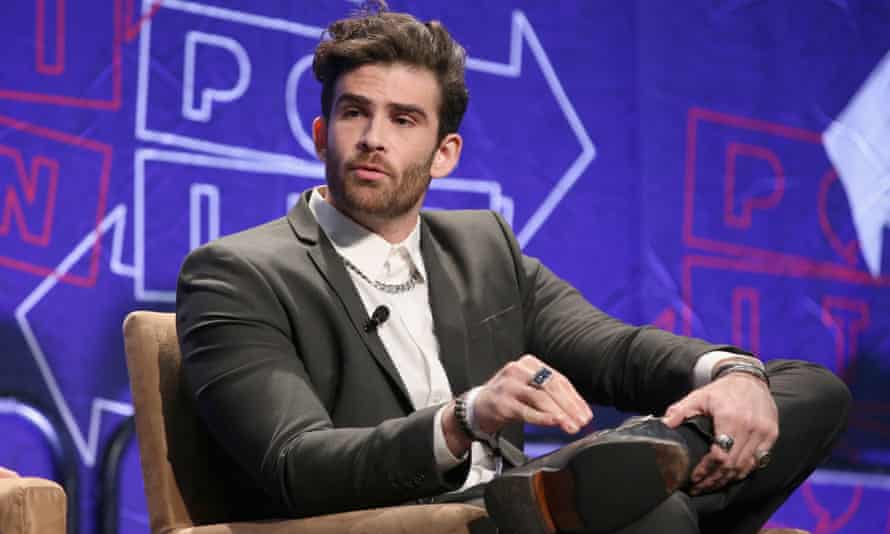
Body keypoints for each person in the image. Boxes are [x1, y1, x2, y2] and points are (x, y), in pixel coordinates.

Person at [175, 3, 850, 533]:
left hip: (528, 508)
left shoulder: (482, 248)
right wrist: (464, 417)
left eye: (404, 120)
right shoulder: (238, 273)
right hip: (411, 523)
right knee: (649, 516)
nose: (374, 138)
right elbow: (296, 464)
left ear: (444, 154)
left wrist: (730, 375)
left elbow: (615, 351)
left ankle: (616, 480)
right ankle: (610, 487)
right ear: (323, 134)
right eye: (355, 113)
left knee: (806, 391)